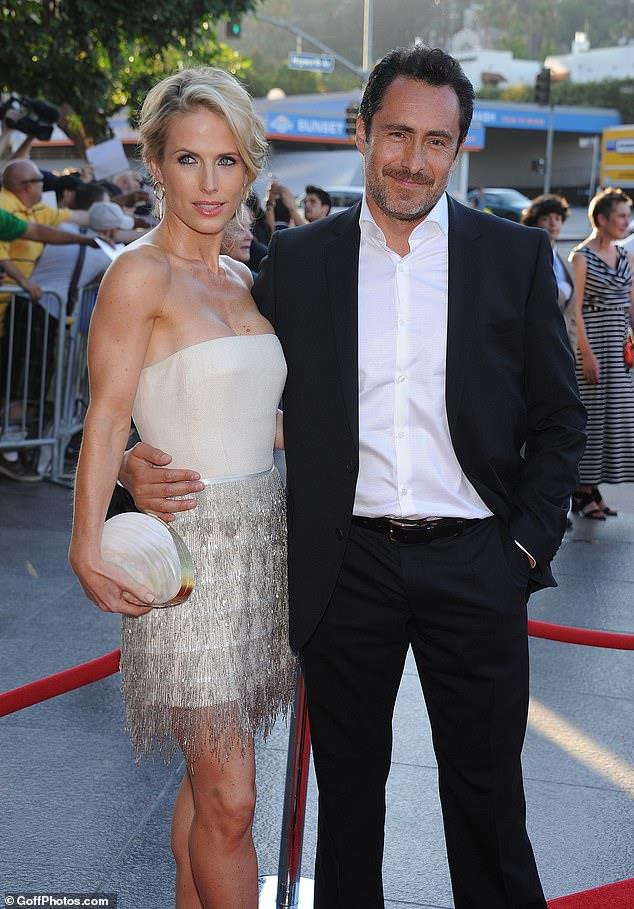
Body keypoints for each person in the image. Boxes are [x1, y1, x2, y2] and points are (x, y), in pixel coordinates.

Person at [119, 46, 586, 909]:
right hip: (347, 567)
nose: (414, 159)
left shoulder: (511, 255)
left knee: (489, 801)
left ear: (459, 148)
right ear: (363, 132)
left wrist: (523, 546)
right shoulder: (301, 260)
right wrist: (125, 463)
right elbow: (209, 372)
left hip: (478, 561)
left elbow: (561, 418)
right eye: (398, 133)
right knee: (349, 806)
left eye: (436, 141)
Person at [68, 67, 295, 908]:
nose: (209, 182)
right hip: (187, 559)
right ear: (157, 163)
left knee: (207, 792)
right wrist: (86, 544)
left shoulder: (242, 280)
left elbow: (258, 419)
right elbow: (105, 417)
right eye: (189, 159)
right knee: (233, 798)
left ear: (249, 168)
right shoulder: (140, 274)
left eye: (227, 160)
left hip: (259, 551)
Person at [570, 188, 634, 519]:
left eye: (627, 215)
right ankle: (580, 491)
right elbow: (575, 309)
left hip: (619, 344)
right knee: (591, 418)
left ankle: (594, 488)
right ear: (601, 218)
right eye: (620, 215)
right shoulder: (580, 257)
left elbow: (631, 303)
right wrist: (586, 352)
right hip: (593, 343)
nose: (626, 222)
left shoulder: (625, 255)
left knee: (615, 417)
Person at [522, 193, 576, 351]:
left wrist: (572, 347)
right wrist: (562, 292)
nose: (553, 224)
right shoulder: (526, 258)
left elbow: (573, 313)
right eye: (546, 218)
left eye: (558, 219)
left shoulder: (566, 263)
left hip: (563, 346)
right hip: (533, 345)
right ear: (534, 221)